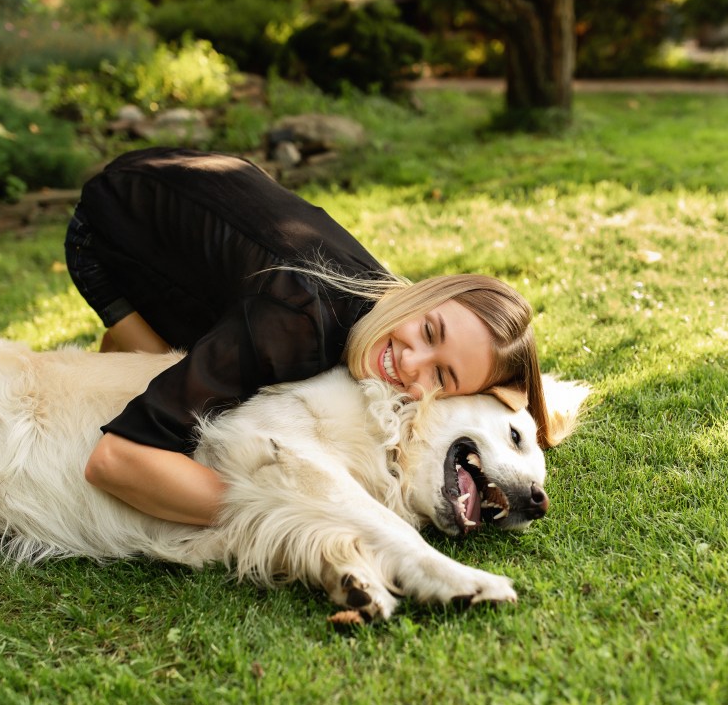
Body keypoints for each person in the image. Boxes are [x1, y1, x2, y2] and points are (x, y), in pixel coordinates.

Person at [64, 147, 552, 527]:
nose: (410, 362)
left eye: (442, 375)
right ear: (423, 295)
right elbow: (114, 461)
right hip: (114, 220)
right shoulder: (294, 319)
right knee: (168, 379)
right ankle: (126, 337)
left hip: (205, 192)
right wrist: (286, 514)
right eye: (428, 330)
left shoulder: (369, 315)